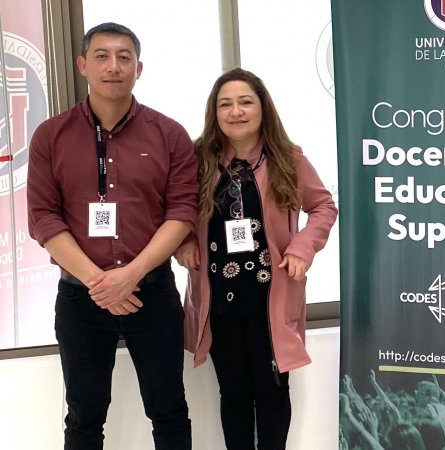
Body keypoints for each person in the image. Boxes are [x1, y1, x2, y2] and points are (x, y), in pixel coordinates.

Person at [27, 22, 196, 449]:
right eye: (101, 56)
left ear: (139, 68)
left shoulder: (169, 134)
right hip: (80, 298)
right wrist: (99, 283)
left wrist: (130, 275)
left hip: (152, 293)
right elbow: (44, 218)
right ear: (82, 65)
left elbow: (182, 212)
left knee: (169, 410)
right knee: (83, 417)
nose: (113, 66)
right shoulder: (51, 136)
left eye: (124, 57)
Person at [178, 67, 337, 449]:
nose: (236, 111)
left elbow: (323, 206)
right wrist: (184, 241)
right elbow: (174, 209)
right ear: (214, 112)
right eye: (225, 104)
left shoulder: (287, 158)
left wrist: (302, 248)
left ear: (262, 108)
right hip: (219, 299)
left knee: (272, 390)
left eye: (245, 102)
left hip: (270, 297)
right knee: (233, 393)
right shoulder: (198, 161)